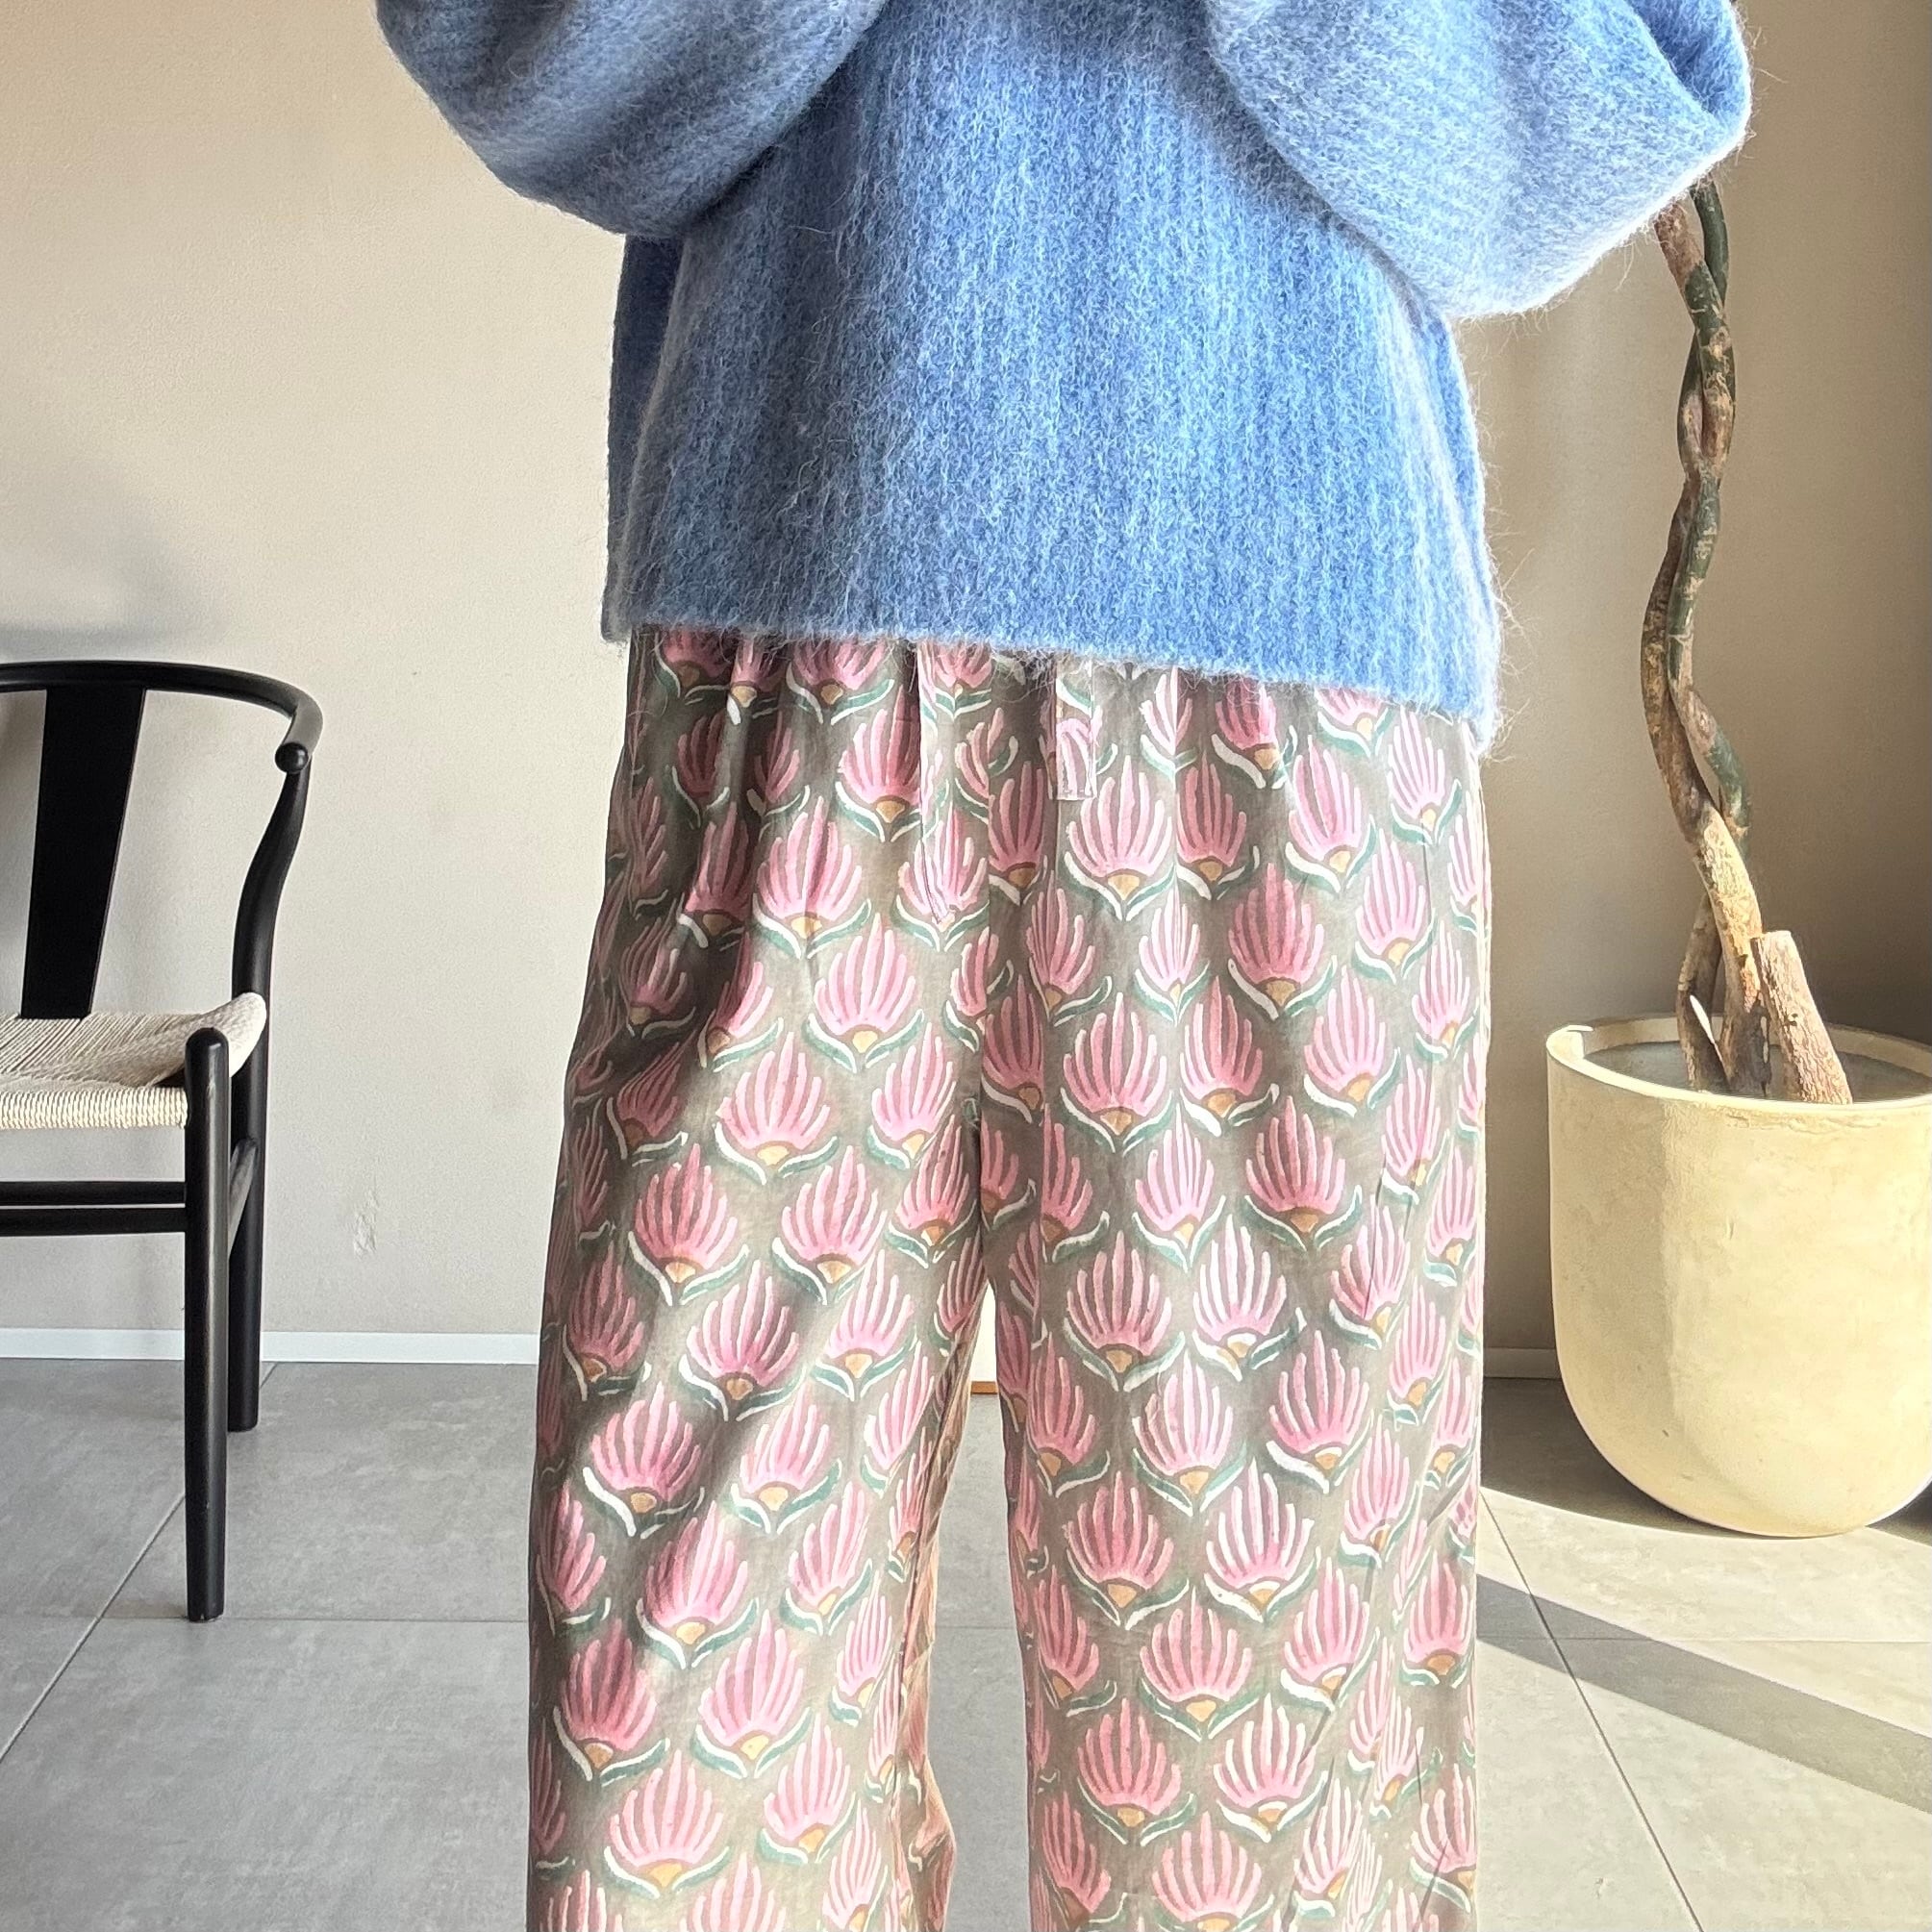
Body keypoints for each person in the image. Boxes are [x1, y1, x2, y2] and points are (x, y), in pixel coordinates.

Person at [377, 5, 1752, 1926]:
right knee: (678, 1719)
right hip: (800, 657)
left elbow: (1594, 126)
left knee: (1260, 1749)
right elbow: (520, 57)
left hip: (1285, 696)